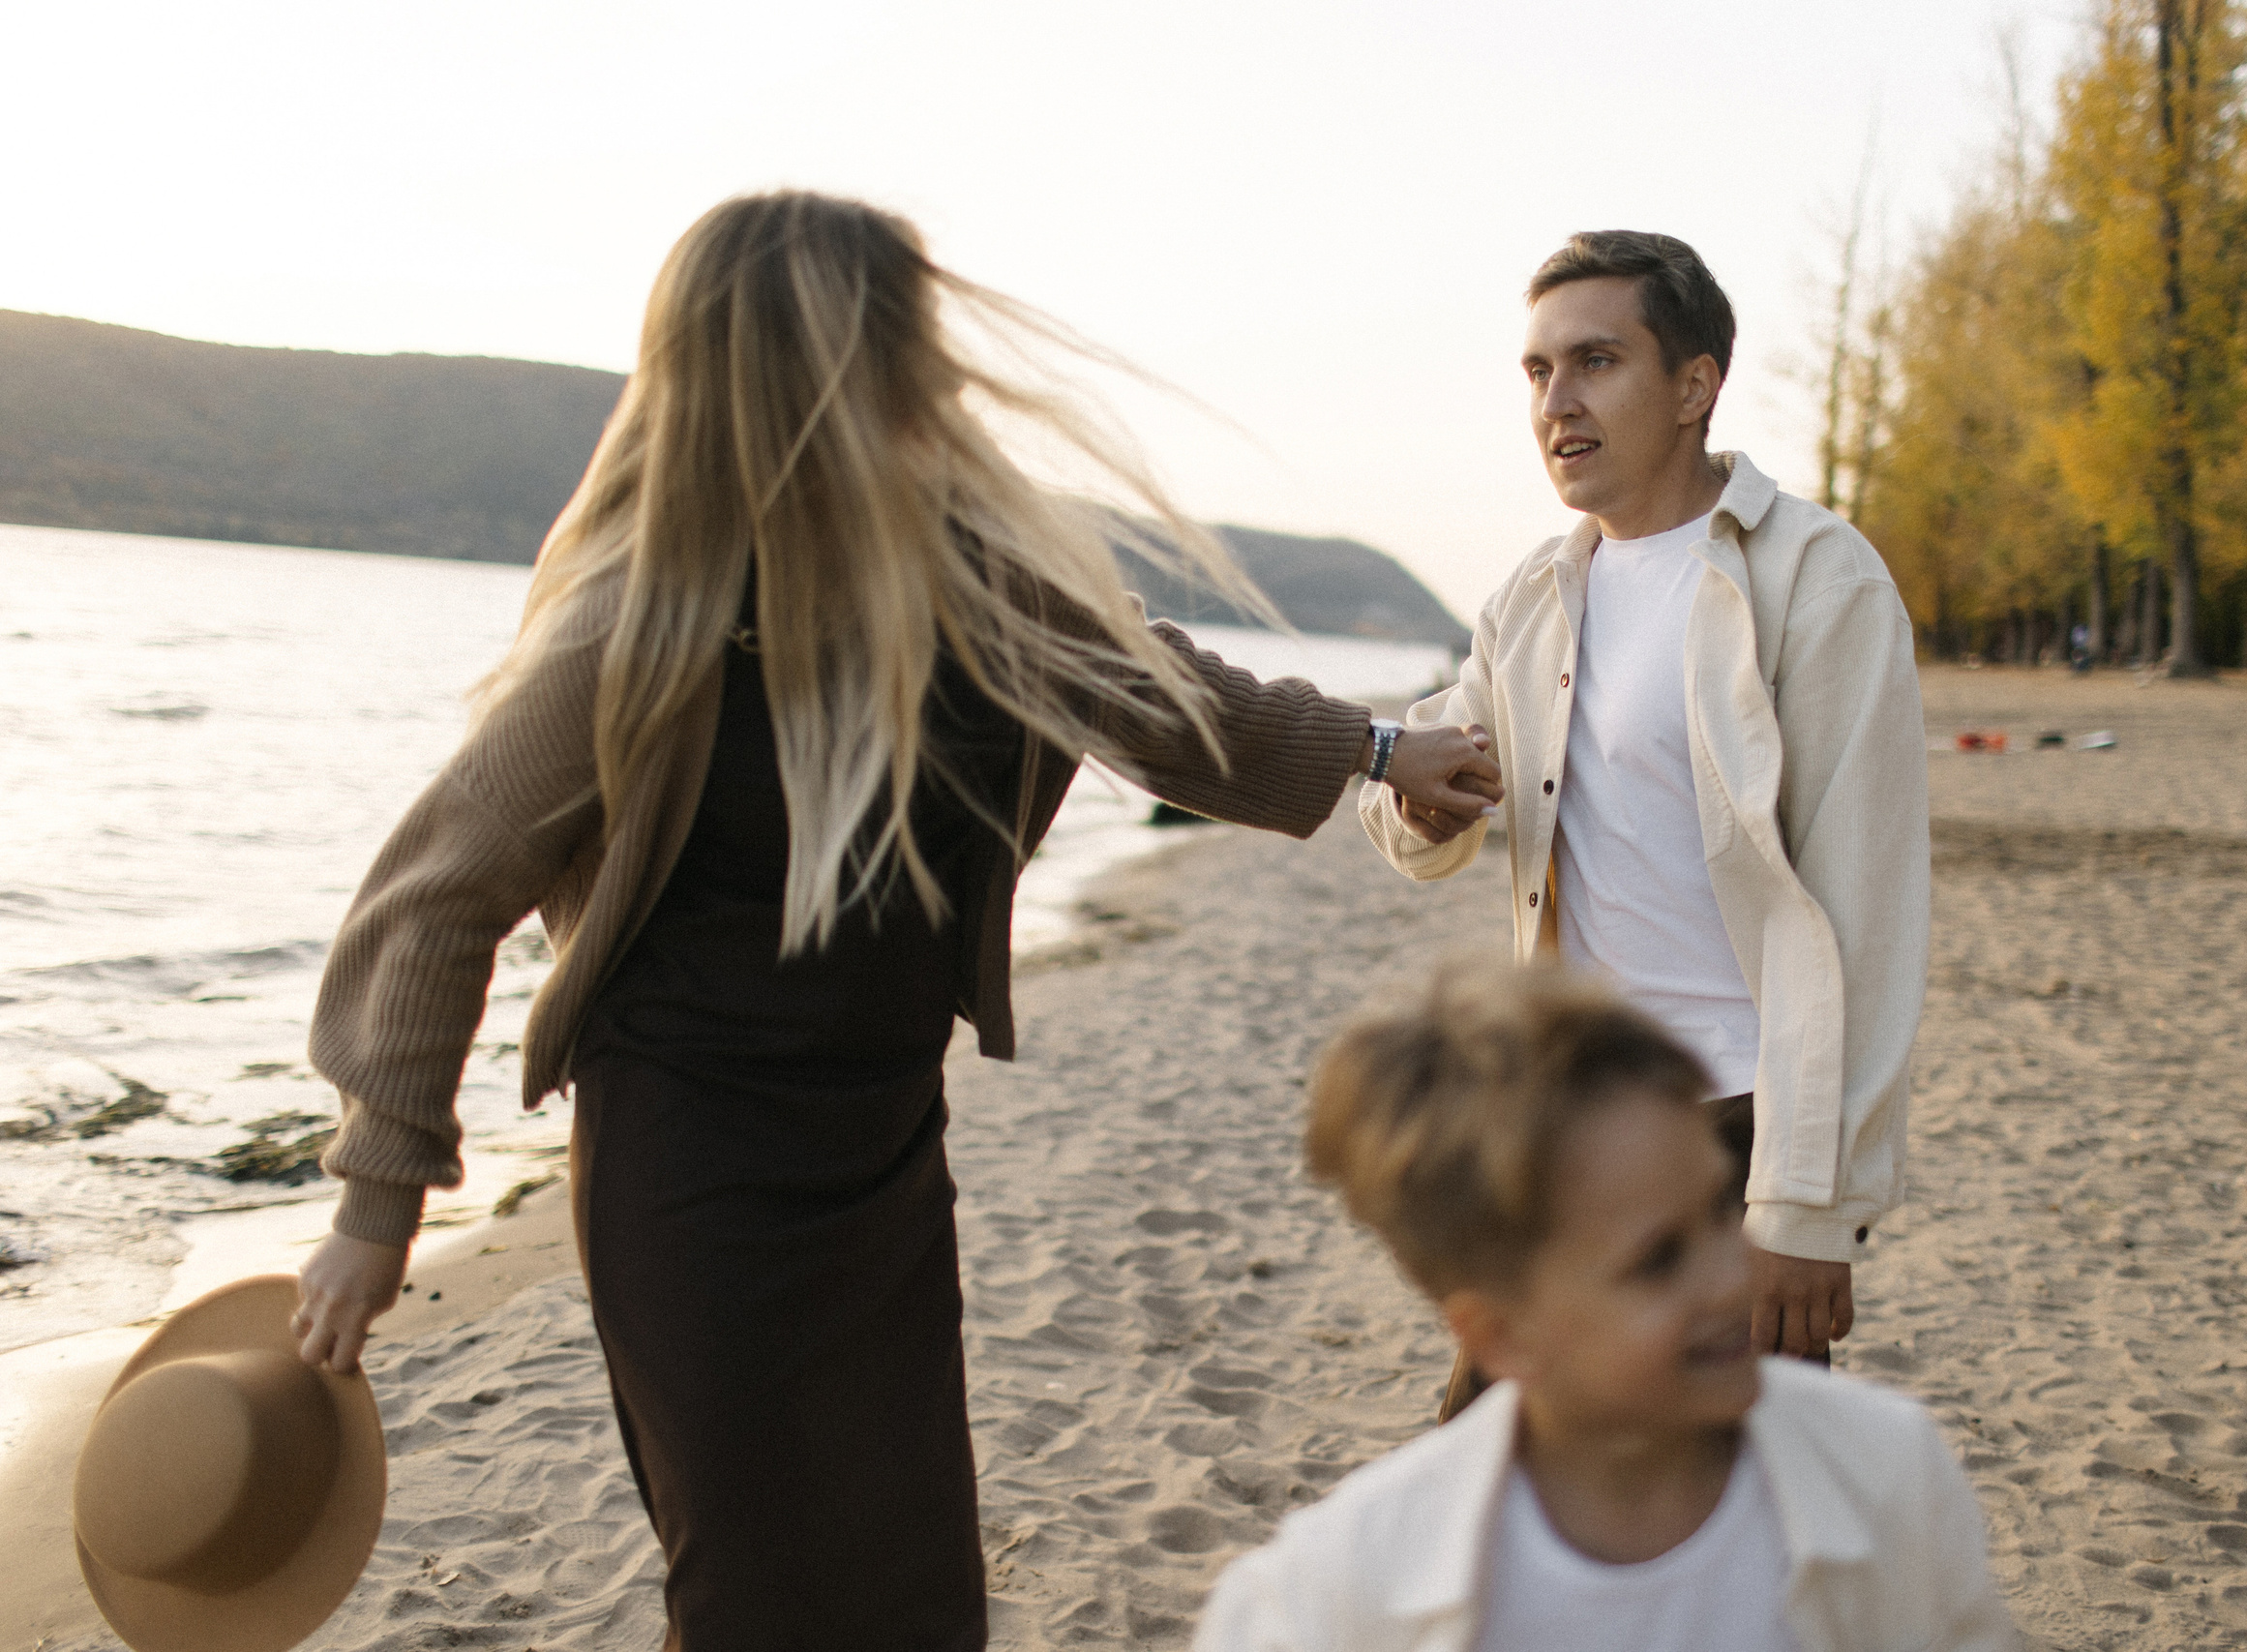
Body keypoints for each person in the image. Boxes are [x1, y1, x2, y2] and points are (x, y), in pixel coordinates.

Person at [285, 191, 1502, 1651]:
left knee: (909, 1585)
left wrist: (1380, 747)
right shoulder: (641, 621)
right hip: (690, 1162)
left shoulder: (986, 584)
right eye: (884, 333)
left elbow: (1171, 702)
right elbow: (429, 898)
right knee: (755, 1587)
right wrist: (378, 1197)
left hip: (878, 1147)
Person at [1360, 232, 1930, 1402]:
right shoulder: (1532, 595)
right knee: (1488, 1476)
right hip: (1563, 1116)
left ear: (1693, 386)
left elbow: (1865, 916)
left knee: (1720, 1525)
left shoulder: (1818, 581)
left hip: (1734, 1124)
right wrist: (1412, 797)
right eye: (1536, 372)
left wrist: (1807, 1207)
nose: (1556, 404)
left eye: (1595, 362)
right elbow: (1424, 800)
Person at [1194, 960, 2013, 1652]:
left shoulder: (1887, 1474)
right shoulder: (1331, 1596)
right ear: (1501, 1335)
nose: (1732, 1277)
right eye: (1657, 1261)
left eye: (1724, 1211)